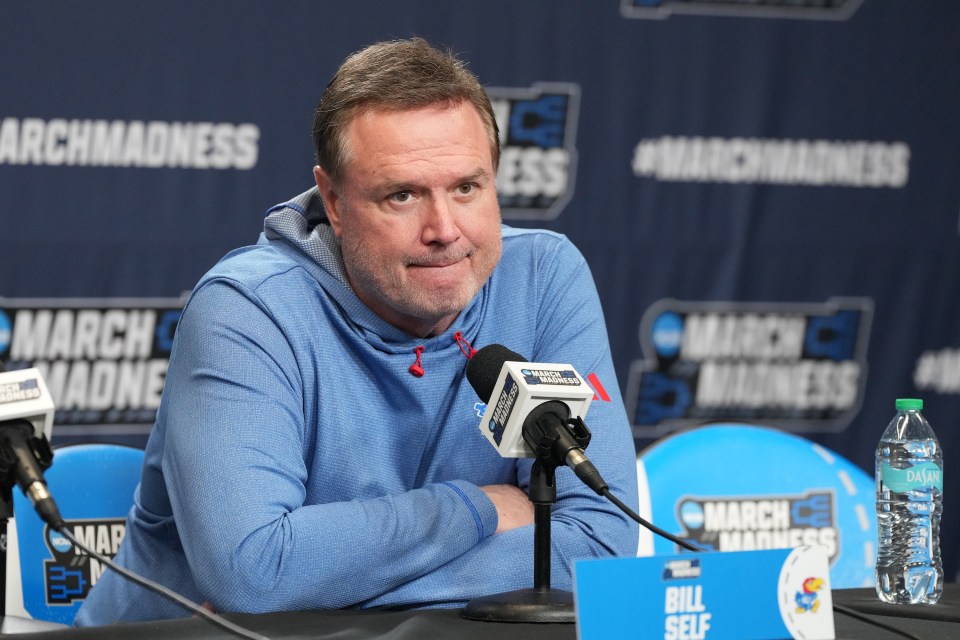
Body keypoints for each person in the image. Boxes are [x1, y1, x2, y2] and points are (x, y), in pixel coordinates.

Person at [75, 37, 638, 624]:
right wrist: (478, 509)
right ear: (335, 201)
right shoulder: (247, 309)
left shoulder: (543, 277)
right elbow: (253, 570)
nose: (445, 230)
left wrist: (317, 585)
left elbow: (598, 547)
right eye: (402, 195)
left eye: (466, 188)